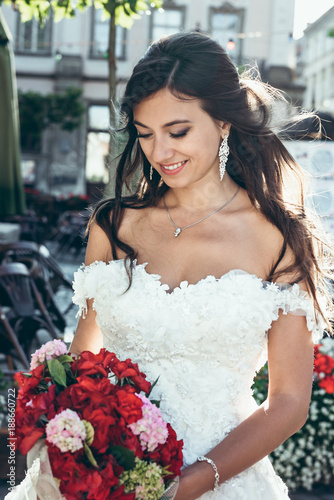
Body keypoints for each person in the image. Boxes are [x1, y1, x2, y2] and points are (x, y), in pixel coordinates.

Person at [69, 31, 332, 500]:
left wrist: (193, 481)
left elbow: (289, 402)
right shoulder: (113, 225)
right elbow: (83, 362)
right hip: (107, 476)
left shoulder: (279, 238)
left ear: (224, 122)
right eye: (145, 134)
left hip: (223, 477)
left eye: (178, 131)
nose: (160, 153)